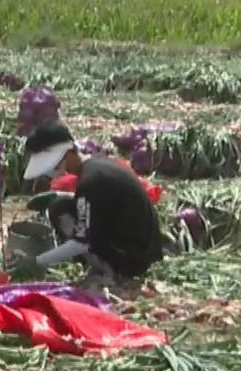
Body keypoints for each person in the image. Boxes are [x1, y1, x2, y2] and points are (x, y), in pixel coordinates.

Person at [19, 122, 164, 288]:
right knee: (61, 205)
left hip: (132, 260)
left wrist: (37, 261)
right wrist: (59, 196)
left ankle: (109, 271)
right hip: (142, 249)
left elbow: (81, 242)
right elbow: (97, 203)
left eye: (56, 164)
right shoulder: (99, 166)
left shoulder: (89, 181)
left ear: (68, 154)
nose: (54, 171)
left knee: (60, 211)